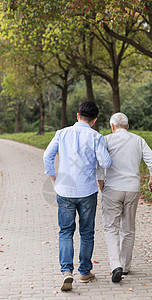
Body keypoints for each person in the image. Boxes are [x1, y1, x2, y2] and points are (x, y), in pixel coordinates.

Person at [43, 102, 112, 291]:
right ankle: (84, 272)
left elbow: (47, 156)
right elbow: (106, 162)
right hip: (87, 191)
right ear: (95, 120)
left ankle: (66, 272)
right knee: (87, 232)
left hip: (64, 190)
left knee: (65, 231)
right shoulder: (96, 136)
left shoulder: (62, 133)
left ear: (77, 115)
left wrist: (53, 179)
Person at [97, 112, 152, 283]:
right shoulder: (138, 140)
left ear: (112, 127)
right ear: (128, 126)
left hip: (112, 188)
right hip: (132, 188)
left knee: (111, 228)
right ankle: (125, 266)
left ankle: (115, 265)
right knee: (128, 228)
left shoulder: (106, 140)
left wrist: (101, 182)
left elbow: (100, 163)